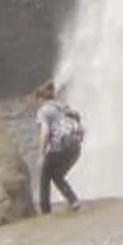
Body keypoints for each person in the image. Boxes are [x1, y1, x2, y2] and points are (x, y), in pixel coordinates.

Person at [33, 82, 84, 215]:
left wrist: (41, 154)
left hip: (59, 148)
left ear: (40, 98)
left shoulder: (43, 110)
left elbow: (45, 132)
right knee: (57, 175)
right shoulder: (64, 106)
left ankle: (45, 210)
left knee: (45, 177)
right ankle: (73, 201)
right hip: (75, 147)